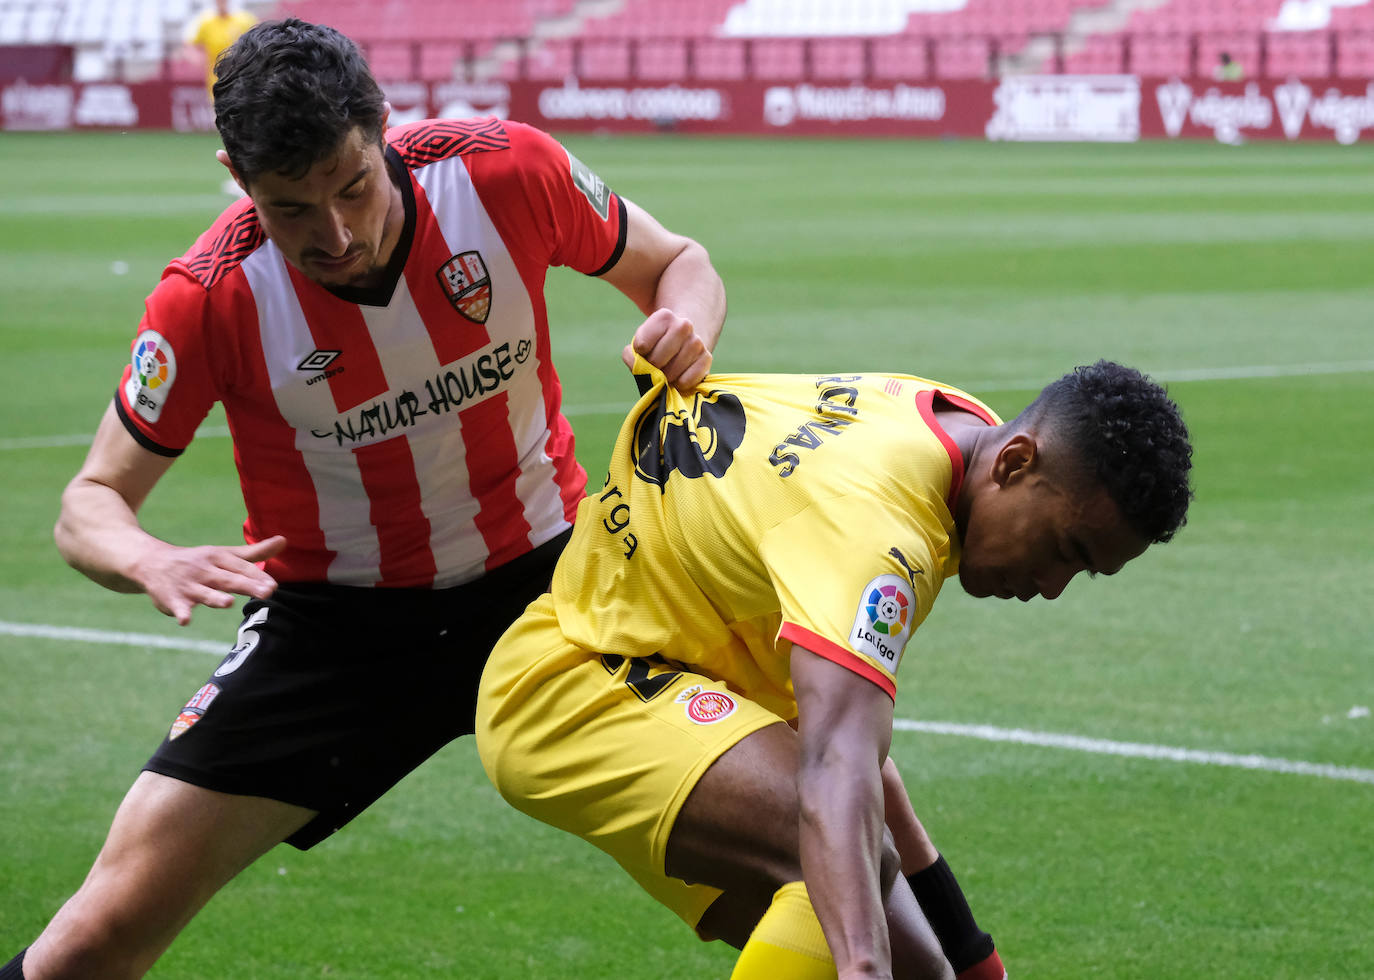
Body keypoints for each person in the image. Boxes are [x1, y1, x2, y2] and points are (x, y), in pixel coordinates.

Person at [2, 18, 724, 980]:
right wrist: (146, 556)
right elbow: (87, 501)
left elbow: (682, 263)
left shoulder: (505, 172)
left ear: (384, 125)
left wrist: (684, 325)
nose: (335, 235)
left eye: (352, 187)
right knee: (96, 937)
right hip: (333, 633)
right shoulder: (210, 297)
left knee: (799, 821)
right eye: (291, 210)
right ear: (235, 174)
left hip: (556, 590)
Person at [477, 359, 1194, 978]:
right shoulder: (879, 532)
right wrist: (862, 969)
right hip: (575, 680)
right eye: (1067, 549)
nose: (1053, 587)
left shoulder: (957, 429)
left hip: (681, 667)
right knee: (832, 863)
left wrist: (970, 956)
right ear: (1014, 464)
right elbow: (833, 764)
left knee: (908, 951)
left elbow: (860, 757)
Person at [183, 0, 256, 100]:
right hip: (217, 78)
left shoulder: (245, 20)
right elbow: (189, 46)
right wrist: (197, 58)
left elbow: (258, 42)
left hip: (242, 76)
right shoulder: (206, 22)